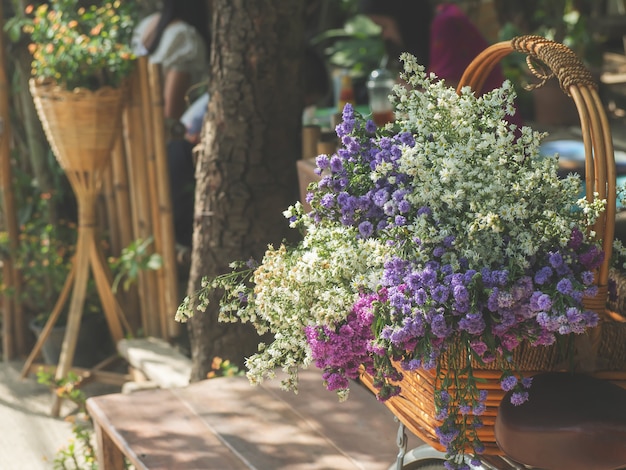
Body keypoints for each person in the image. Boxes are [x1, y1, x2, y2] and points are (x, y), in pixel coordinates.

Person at [132, 0, 211, 249]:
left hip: (136, 140)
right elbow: (170, 114)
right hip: (168, 151)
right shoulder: (182, 36)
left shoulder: (148, 25)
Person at [359, 0, 507, 94]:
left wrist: (411, 91)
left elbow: (452, 93)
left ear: (403, 17)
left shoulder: (446, 24)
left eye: (383, 26)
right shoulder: (438, 22)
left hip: (492, 133)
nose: (385, 36)